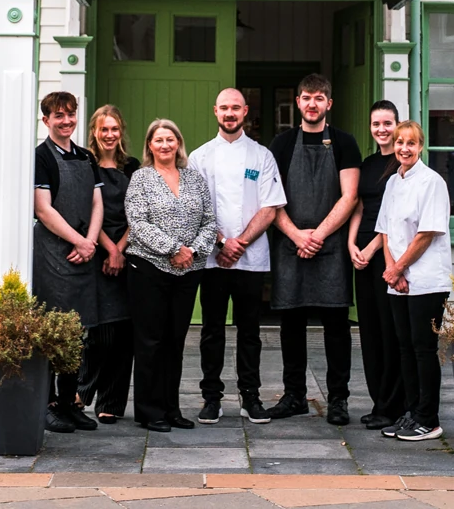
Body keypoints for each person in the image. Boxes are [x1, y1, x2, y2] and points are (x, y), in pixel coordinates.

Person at [187, 87, 287, 424]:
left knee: (250, 332)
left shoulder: (261, 156)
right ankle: (211, 398)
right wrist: (220, 243)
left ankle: (251, 397)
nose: (230, 113)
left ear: (246, 112)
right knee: (212, 330)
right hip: (212, 259)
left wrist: (239, 242)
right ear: (215, 111)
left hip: (251, 258)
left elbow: (270, 208)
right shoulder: (199, 157)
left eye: (236, 108)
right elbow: (195, 208)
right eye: (224, 108)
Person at [268, 73, 361, 425]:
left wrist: (317, 235)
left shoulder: (344, 143)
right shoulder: (280, 144)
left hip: (331, 247)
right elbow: (270, 198)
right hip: (290, 245)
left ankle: (338, 400)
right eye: (306, 97)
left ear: (329, 104)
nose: (312, 103)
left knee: (336, 328)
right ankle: (294, 396)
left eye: (319, 98)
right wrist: (296, 236)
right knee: (291, 326)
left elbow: (349, 196)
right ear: (298, 102)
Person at [122, 118, 217, 433]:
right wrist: (173, 248)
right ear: (150, 145)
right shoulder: (141, 178)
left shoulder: (194, 178)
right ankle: (149, 412)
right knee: (151, 341)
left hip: (187, 271)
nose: (165, 145)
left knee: (175, 341)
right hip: (149, 268)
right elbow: (137, 222)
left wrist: (192, 251)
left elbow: (209, 219)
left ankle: (171, 408)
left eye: (170, 139)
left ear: (179, 143)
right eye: (158, 140)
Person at [31, 90, 103, 435]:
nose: (66, 120)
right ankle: (45, 406)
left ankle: (68, 403)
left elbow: (97, 202)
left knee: (77, 333)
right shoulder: (40, 157)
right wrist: (78, 241)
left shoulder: (87, 157)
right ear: (46, 120)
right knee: (50, 331)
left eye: (71, 114)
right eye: (58, 115)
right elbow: (43, 209)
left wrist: (90, 241)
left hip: (83, 251)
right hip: (53, 254)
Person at [378, 120, 452, 442]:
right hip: (400, 280)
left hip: (426, 281)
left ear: (421, 146)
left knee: (424, 349)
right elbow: (385, 232)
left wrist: (400, 270)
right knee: (404, 349)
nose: (404, 148)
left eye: (411, 143)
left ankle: (429, 419)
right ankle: (410, 414)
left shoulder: (432, 182)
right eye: (399, 142)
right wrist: (392, 271)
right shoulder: (392, 183)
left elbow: (427, 233)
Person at [348, 99, 407, 431]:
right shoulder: (367, 163)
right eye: (376, 124)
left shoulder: (402, 165)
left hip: (389, 255)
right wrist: (351, 243)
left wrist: (370, 248)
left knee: (390, 331)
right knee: (368, 331)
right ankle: (378, 402)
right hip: (362, 257)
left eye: (388, 123)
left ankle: (394, 405)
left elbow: (393, 217)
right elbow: (358, 206)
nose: (382, 130)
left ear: (397, 125)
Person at [78, 105, 139, 424]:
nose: (110, 134)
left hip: (129, 251)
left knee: (125, 330)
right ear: (95, 132)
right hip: (96, 249)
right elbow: (86, 211)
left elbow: (140, 212)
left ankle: (112, 402)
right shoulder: (85, 164)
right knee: (99, 330)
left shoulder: (132, 167)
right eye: (104, 129)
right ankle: (82, 392)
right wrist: (109, 250)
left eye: (114, 129)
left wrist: (121, 249)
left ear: (121, 131)